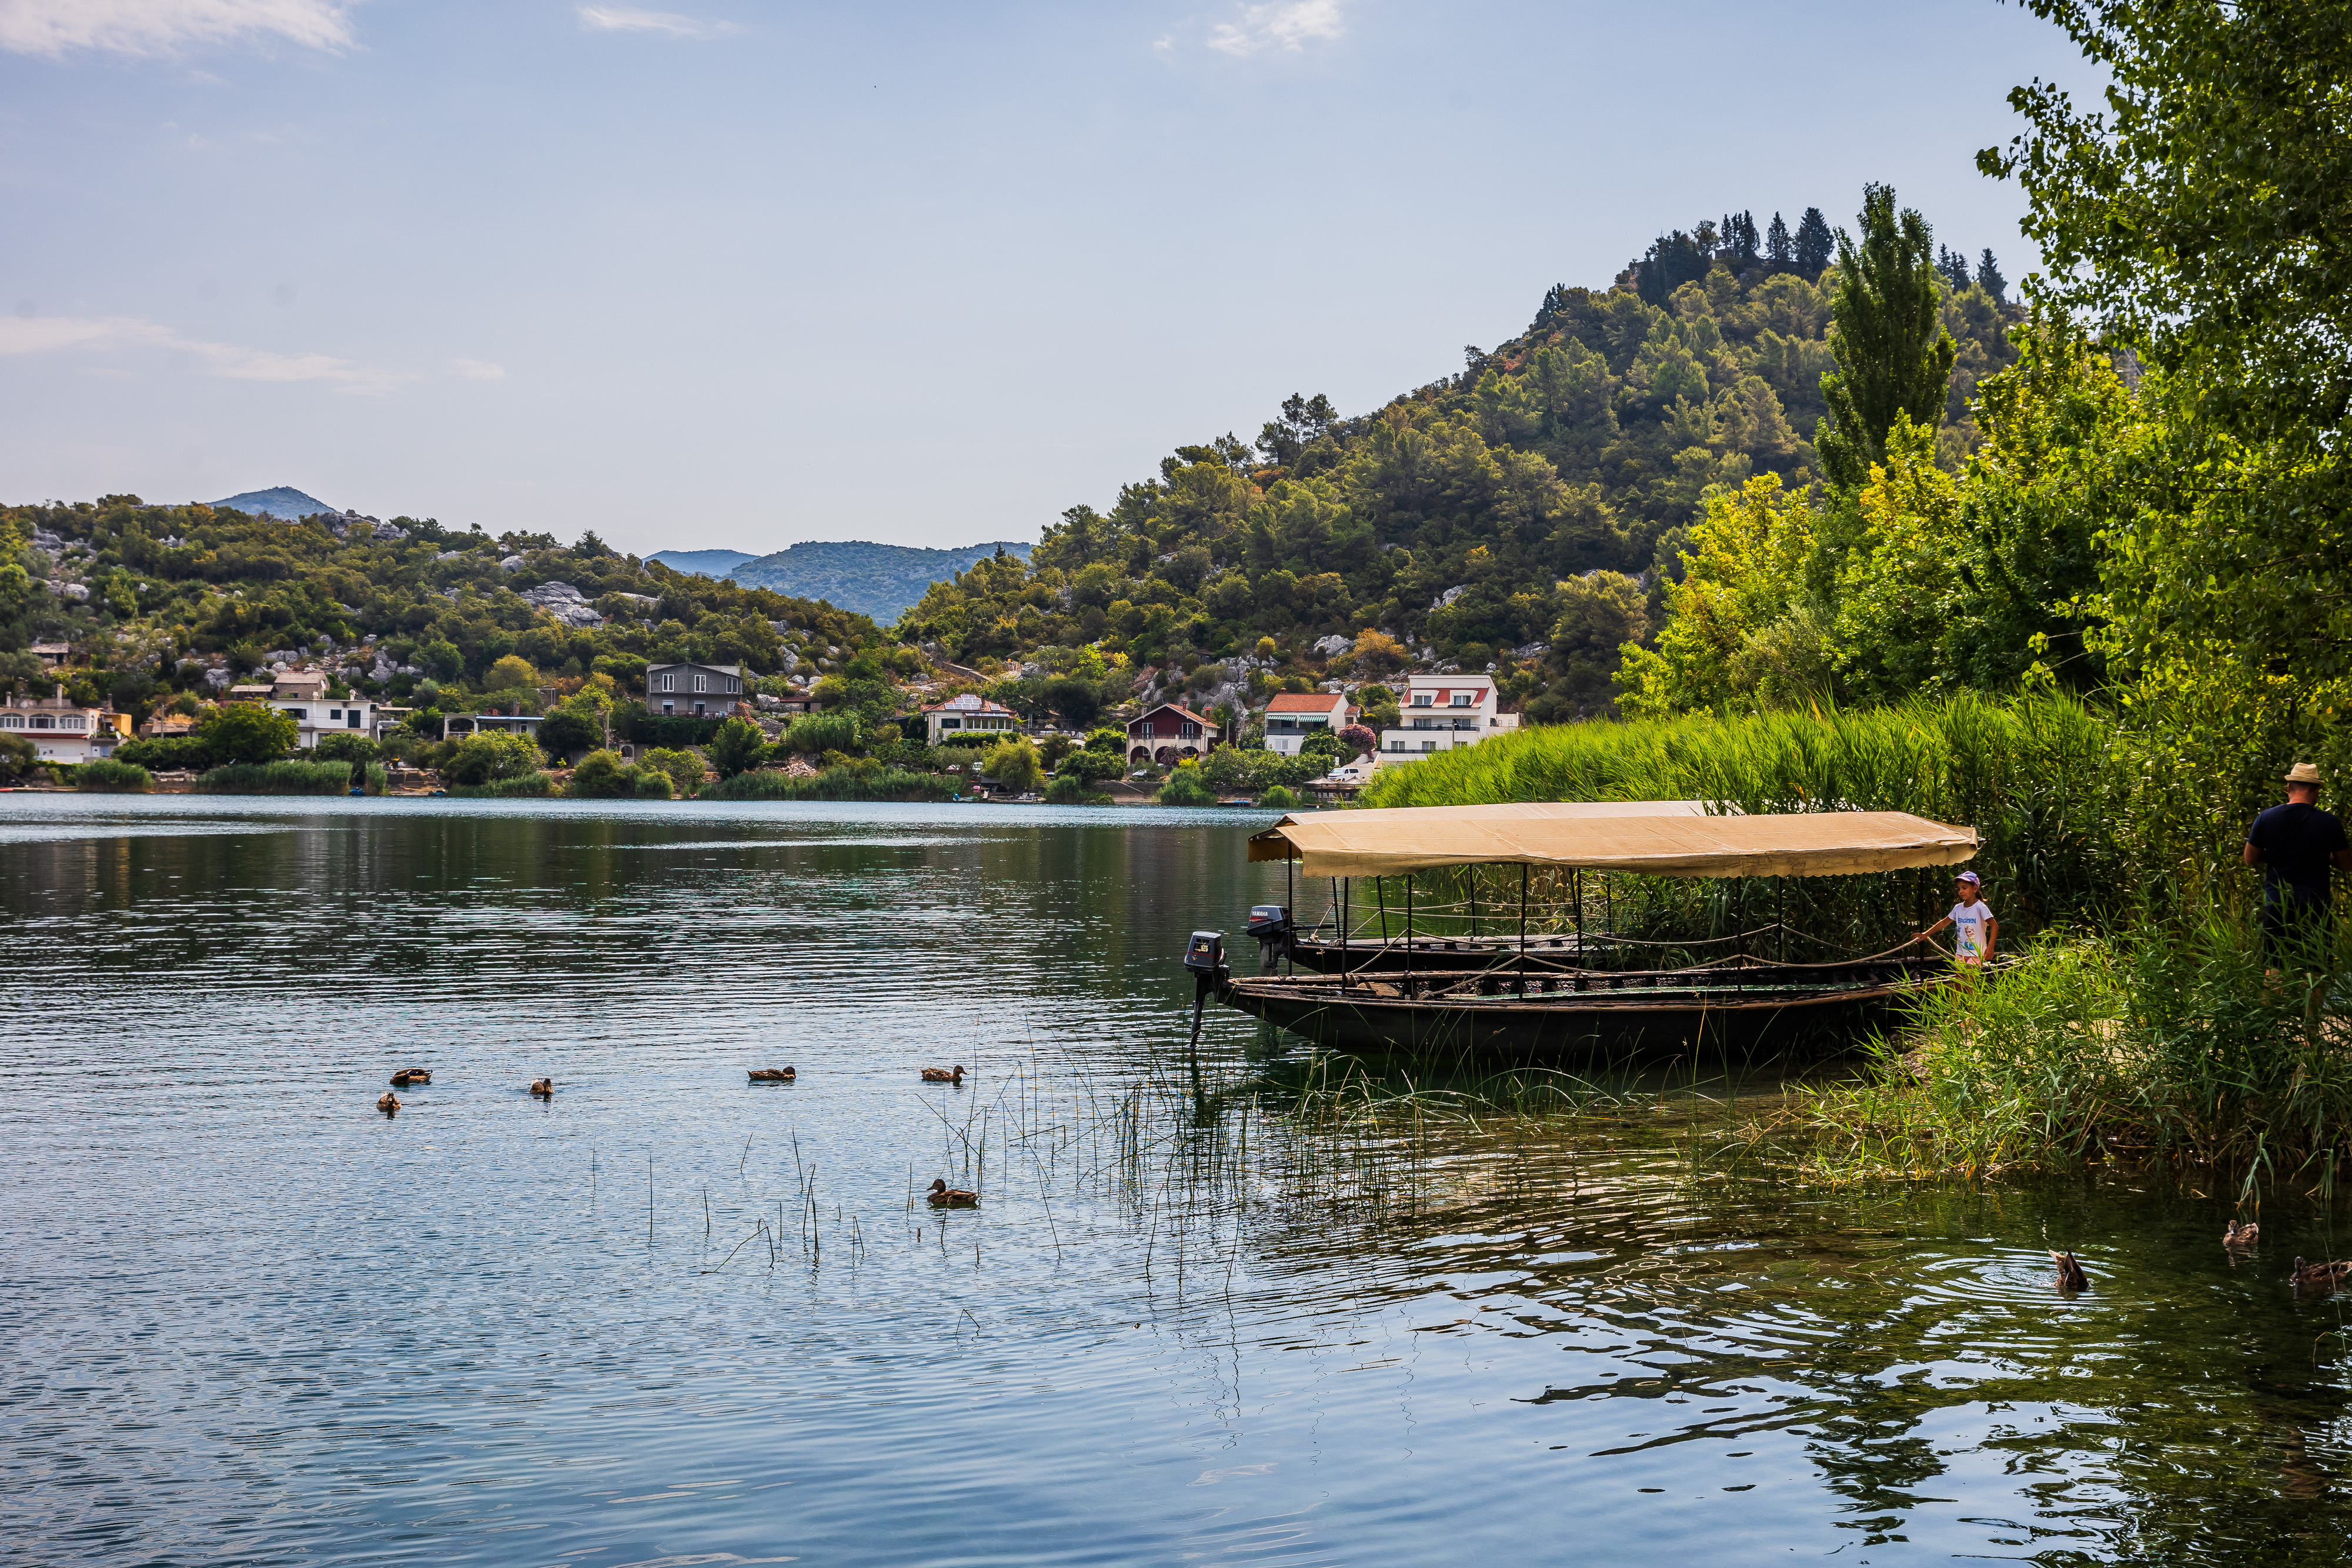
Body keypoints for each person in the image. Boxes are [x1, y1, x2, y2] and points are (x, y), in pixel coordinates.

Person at [2244, 762, 2352, 965]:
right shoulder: (2329, 822)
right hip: (2315, 905)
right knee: (2314, 970)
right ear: (2317, 789)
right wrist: (2321, 856)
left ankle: (2273, 998)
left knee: (2275, 967)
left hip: (2278, 902)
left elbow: (2250, 858)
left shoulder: (2266, 818)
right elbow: (2346, 864)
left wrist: (2278, 854)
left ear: (2288, 788)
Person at [1922, 871, 1998, 967]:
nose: (1961, 891)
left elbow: (1995, 926)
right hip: (1961, 953)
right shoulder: (1958, 908)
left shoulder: (1980, 907)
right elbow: (1944, 922)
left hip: (1976, 953)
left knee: (1970, 979)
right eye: (1959, 889)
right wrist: (1926, 934)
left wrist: (1990, 947)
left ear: (1975, 889)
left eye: (1964, 888)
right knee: (1959, 980)